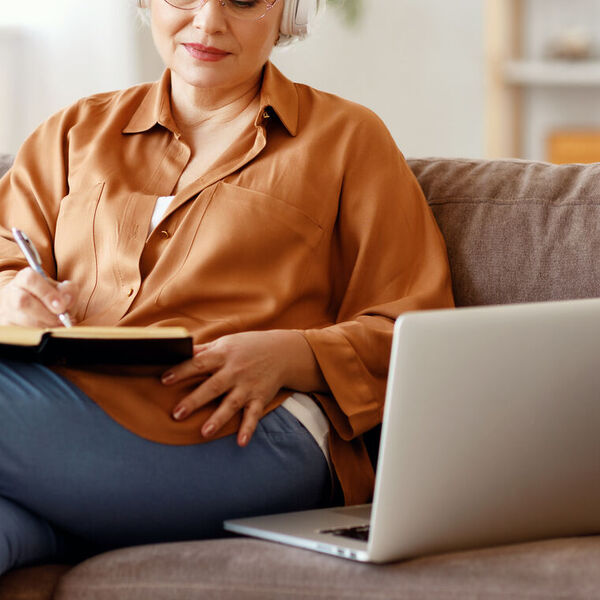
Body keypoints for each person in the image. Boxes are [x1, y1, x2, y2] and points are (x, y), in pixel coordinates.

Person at [0, 0, 454, 573]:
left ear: (288, 12)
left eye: (242, 0)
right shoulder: (73, 132)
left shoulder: (347, 139)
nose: (208, 21)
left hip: (247, 429)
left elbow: (420, 331)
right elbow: (7, 253)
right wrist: (10, 294)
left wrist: (296, 355)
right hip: (70, 413)